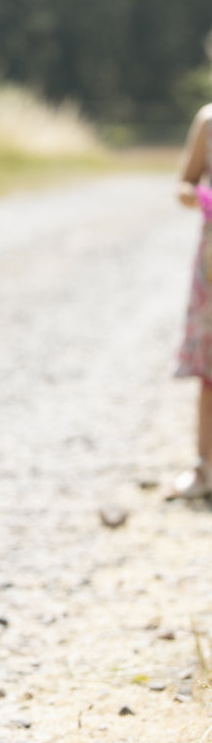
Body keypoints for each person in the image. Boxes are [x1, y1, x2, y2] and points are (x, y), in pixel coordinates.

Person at [168, 101, 212, 499]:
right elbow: (184, 184)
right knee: (210, 372)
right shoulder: (208, 119)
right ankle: (203, 466)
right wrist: (203, 197)